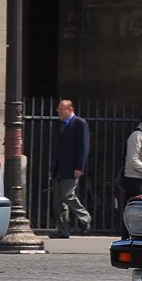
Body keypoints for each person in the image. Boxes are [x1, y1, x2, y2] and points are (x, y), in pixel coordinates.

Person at [49, 99, 91, 239]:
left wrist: (80, 167)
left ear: (70, 110)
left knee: (67, 195)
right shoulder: (60, 124)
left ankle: (85, 218)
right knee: (58, 201)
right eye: (58, 110)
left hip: (71, 167)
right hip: (58, 167)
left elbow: (83, 147)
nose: (59, 112)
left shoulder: (80, 124)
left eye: (62, 110)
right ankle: (63, 229)